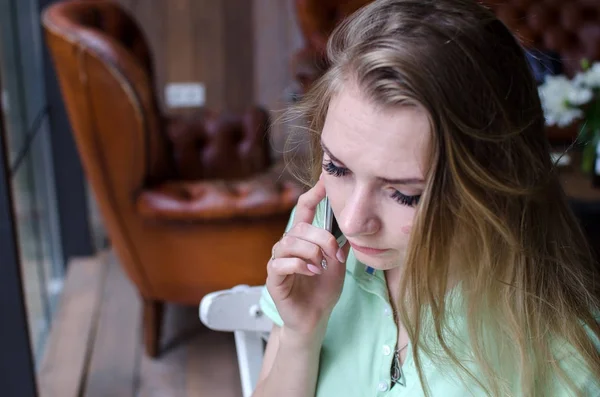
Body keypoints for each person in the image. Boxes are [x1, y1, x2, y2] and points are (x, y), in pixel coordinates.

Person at [252, 0, 600, 395]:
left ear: (493, 182)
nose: (351, 222)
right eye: (336, 168)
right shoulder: (319, 231)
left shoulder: (561, 346)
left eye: (404, 194)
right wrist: (302, 332)